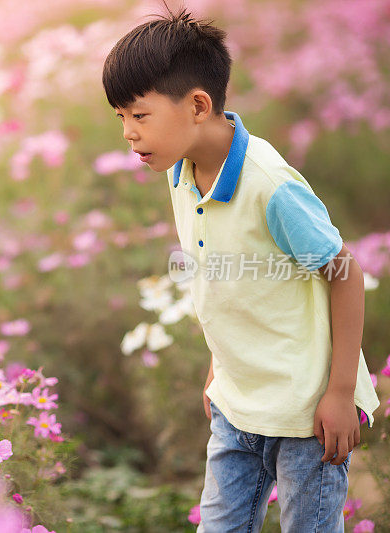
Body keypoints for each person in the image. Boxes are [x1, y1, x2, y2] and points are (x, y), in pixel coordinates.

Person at [102, 8, 379, 532]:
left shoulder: (271, 187)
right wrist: (219, 364)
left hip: (307, 411)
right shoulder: (179, 168)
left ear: (198, 105)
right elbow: (220, 277)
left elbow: (344, 274)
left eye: (139, 116)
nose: (128, 135)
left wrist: (340, 392)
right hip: (237, 402)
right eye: (121, 118)